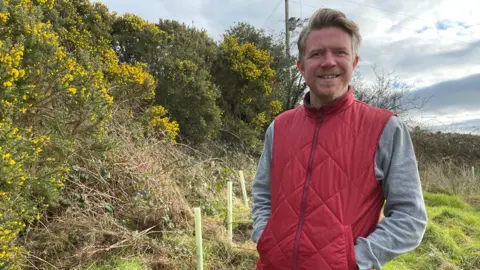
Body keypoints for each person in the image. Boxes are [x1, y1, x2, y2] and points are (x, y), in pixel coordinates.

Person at [251, 7, 428, 270]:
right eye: (317, 53)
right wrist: (264, 236)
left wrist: (354, 260)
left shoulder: (386, 128)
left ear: (354, 62)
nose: (328, 61)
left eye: (340, 52)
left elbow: (410, 217)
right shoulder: (279, 127)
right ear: (301, 66)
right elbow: (263, 193)